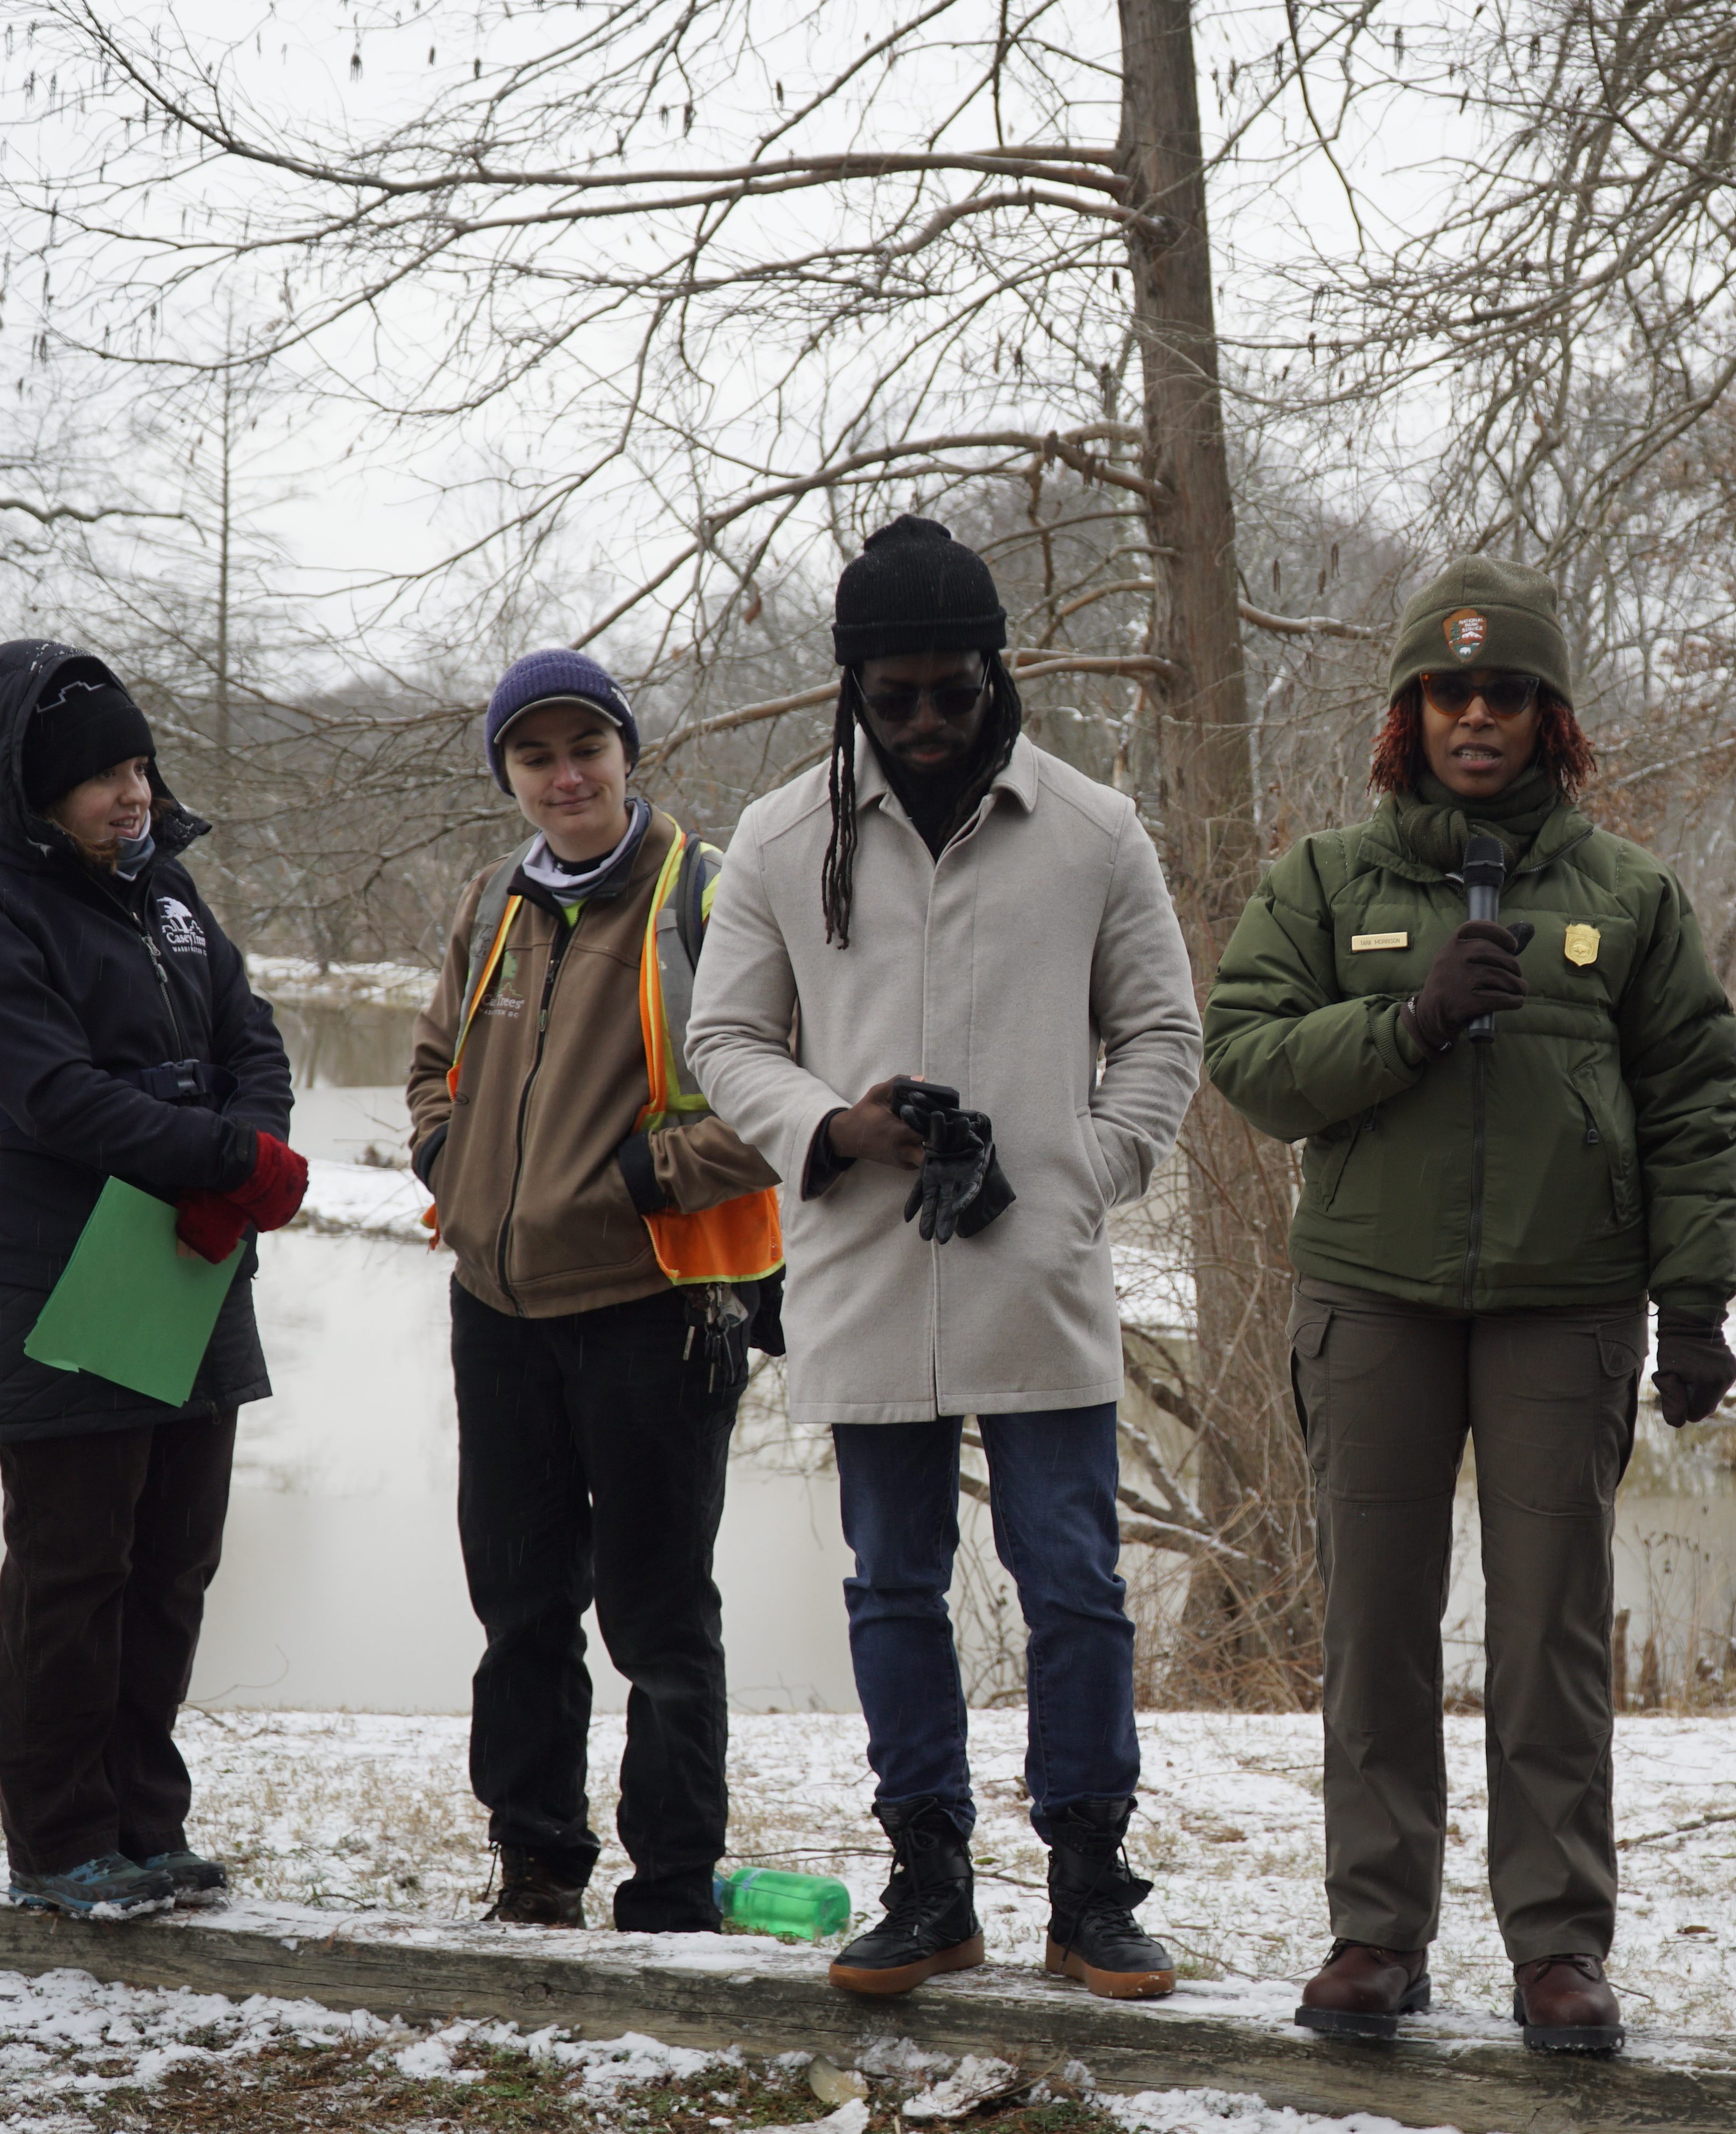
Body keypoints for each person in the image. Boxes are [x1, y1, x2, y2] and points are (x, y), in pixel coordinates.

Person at [1204, 556, 1736, 2058]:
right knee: (1377, 1629)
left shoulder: (1628, 893)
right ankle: (1378, 1933)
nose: (1478, 717)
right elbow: (1245, 1055)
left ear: (1550, 717)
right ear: (1407, 714)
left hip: (1565, 1307)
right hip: (1373, 1299)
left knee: (1550, 1640)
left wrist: (1694, 1301)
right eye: (1450, 693)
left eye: (1507, 693)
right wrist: (1409, 1021)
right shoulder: (1325, 881)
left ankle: (1558, 1947)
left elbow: (1700, 1100)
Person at [684, 515, 1201, 2002]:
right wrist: (833, 1127)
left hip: (1036, 1267)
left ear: (998, 677)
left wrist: (1083, 1172)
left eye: (952, 693)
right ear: (850, 688)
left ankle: (1092, 1886)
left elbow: (1163, 1030)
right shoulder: (784, 839)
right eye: (893, 696)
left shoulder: (1094, 831)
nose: (923, 723)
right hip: (861, 1265)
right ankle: (930, 1881)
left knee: (1076, 1583)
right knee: (892, 1585)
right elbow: (726, 1040)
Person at [0, 641, 304, 1921]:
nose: (129, 793)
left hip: (187, 1272)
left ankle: (146, 1821)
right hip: (64, 1288)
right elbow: (60, 1098)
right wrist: (218, 1150)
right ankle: (62, 1841)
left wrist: (239, 1155)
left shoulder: (173, 894)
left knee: (172, 1561)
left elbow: (253, 1039)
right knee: (74, 1571)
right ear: (32, 788)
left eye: (136, 764)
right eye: (97, 775)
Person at [406, 648, 783, 1934]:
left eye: (587, 748)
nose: (566, 775)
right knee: (519, 1610)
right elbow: (431, 1061)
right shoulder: (495, 902)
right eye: (536, 755)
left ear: (629, 754)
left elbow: (788, 1085)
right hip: (497, 1313)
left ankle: (673, 1885)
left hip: (651, 1307)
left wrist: (640, 1177)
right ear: (510, 773)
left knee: (660, 1618)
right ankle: (537, 1863)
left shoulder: (708, 897)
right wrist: (445, 1165)